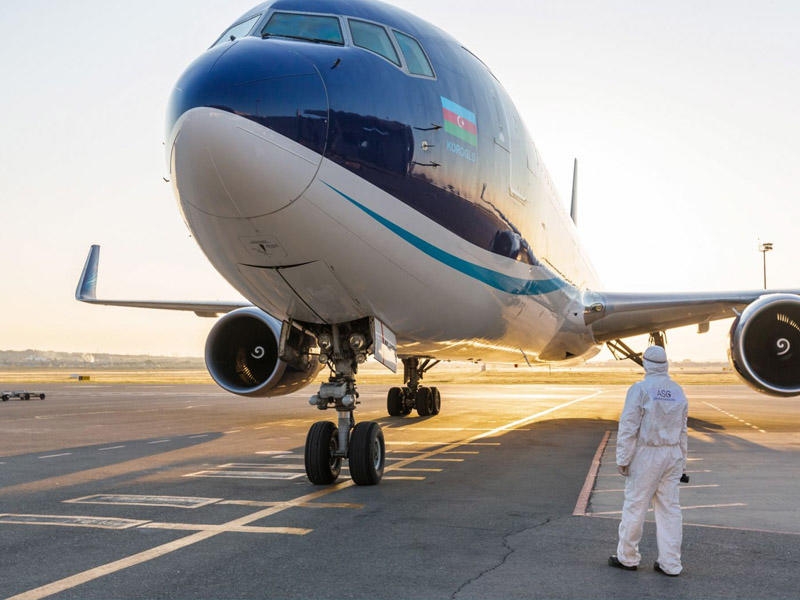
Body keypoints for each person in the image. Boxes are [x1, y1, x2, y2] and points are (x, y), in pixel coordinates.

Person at [608, 344, 689, 576]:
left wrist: (623, 458)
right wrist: (682, 461)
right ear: (665, 365)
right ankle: (671, 564)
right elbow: (683, 429)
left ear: (646, 364)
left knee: (635, 505)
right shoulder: (677, 391)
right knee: (670, 510)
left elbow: (628, 426)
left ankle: (628, 557)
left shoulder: (640, 390)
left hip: (647, 454)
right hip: (672, 453)